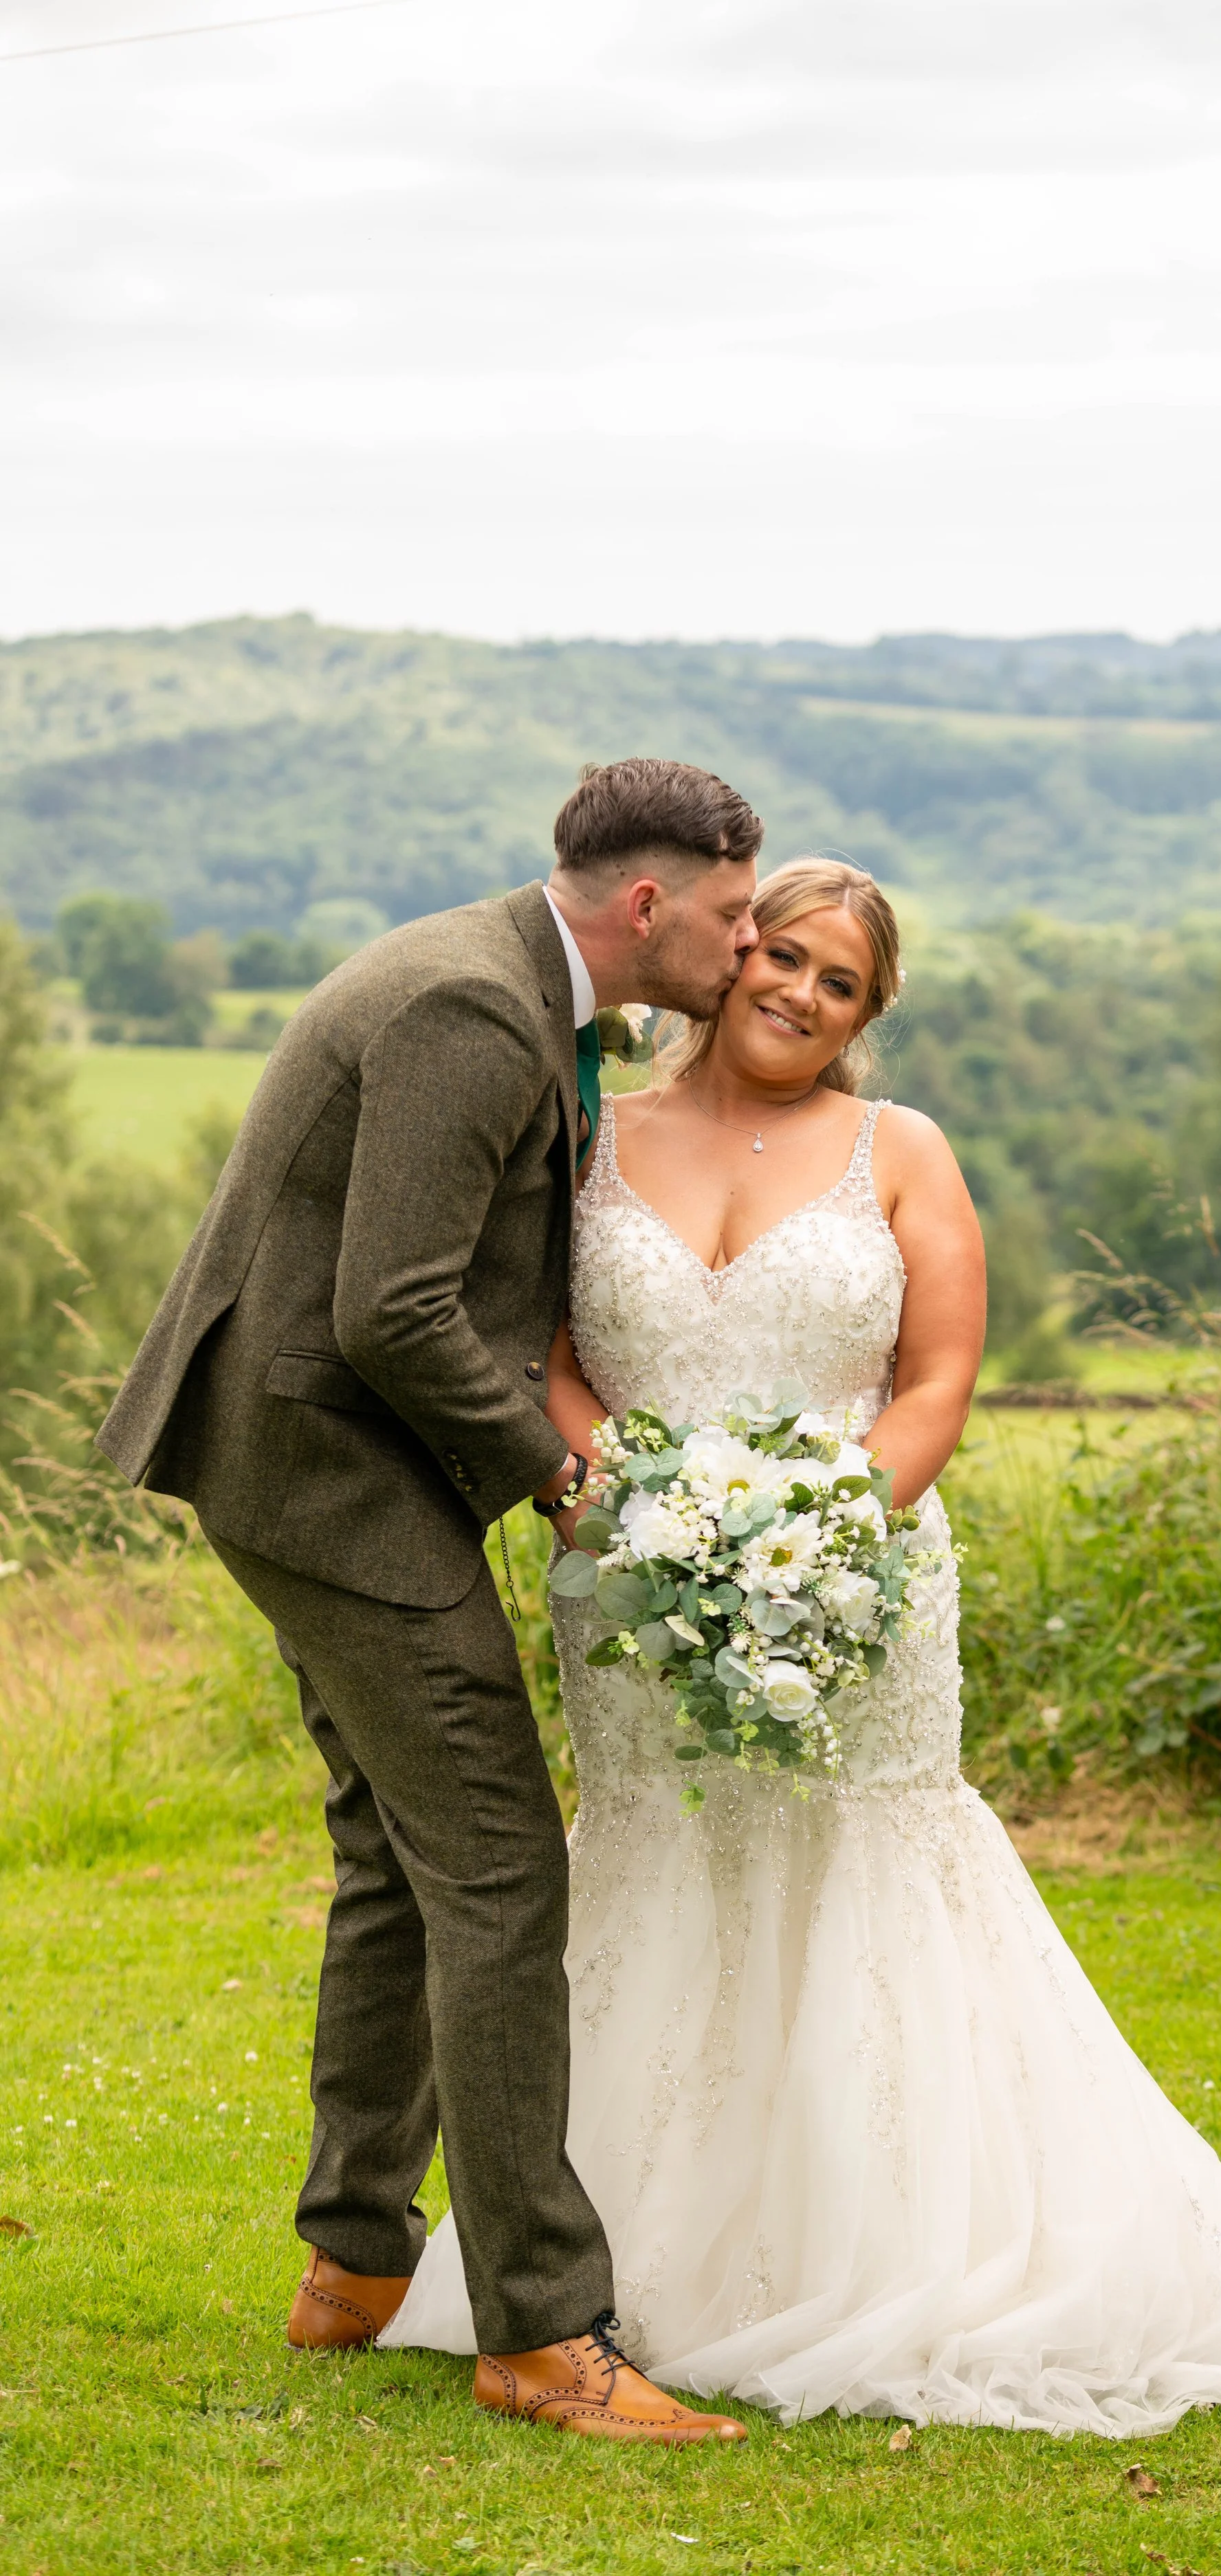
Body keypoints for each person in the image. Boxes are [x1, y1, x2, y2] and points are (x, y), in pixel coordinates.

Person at [380, 856, 1221, 2434]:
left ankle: (906, 2245)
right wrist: (626, 1518)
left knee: (860, 1854)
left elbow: (932, 1381)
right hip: (634, 1578)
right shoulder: (598, 1136)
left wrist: (826, 1540)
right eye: (778, 953)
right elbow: (552, 1353)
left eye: (836, 981)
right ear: (727, 954)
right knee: (665, 1856)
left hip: (856, 1572)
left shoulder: (898, 1151)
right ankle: (619, 2268)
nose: (795, 990)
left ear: (870, 1011)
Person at [98, 759, 767, 2446]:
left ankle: (350, 2260)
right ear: (647, 904)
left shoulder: (505, 981)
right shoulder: (474, 1005)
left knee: (397, 1856)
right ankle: (542, 2332)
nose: (748, 942)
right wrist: (560, 1477)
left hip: (306, 1456)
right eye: (735, 910)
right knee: (493, 1858)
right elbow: (393, 1307)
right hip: (322, 1468)